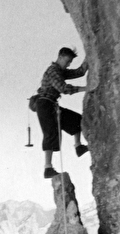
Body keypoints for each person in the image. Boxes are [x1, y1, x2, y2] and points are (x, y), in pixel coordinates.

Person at [36, 47, 89, 179]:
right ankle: (48, 168)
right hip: (44, 104)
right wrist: (86, 89)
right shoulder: (53, 71)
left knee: (77, 120)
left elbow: (79, 72)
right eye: (67, 61)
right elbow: (63, 89)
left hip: (51, 104)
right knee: (50, 133)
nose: (69, 64)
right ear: (60, 57)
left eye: (70, 62)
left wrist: (89, 56)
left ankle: (78, 147)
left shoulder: (60, 71)